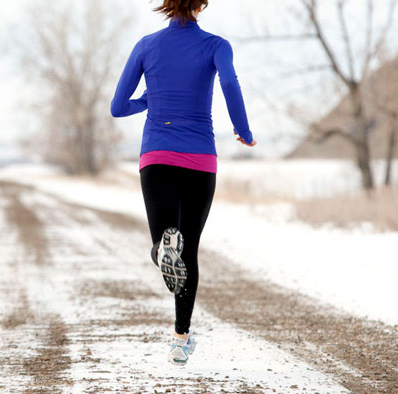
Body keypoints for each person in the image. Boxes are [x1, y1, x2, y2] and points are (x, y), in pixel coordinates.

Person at [110, 0, 257, 366]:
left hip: (157, 155)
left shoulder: (146, 45)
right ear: (201, 4)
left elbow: (117, 106)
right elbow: (229, 83)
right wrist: (243, 131)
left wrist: (148, 101)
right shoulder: (216, 45)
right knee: (188, 249)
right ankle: (180, 338)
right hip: (200, 159)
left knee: (166, 242)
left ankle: (160, 251)